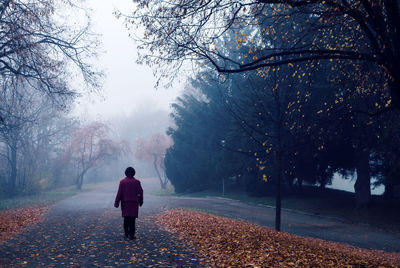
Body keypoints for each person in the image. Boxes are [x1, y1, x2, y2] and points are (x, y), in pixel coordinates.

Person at [114, 167, 143, 240]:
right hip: (134, 203)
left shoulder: (122, 182)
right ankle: (132, 235)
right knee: (132, 220)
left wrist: (116, 202)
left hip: (125, 203)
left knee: (126, 219)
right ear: (134, 173)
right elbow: (140, 192)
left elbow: (119, 193)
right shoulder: (137, 182)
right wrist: (140, 201)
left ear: (126, 173)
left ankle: (126, 234)